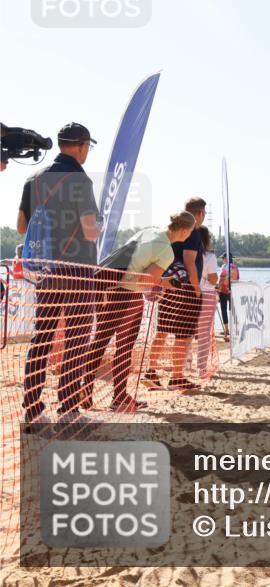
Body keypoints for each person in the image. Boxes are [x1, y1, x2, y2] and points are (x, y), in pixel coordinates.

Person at [16, 123, 100, 423]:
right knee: (76, 339)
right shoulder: (80, 179)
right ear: (81, 145)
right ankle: (67, 409)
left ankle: (32, 409)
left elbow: (22, 228)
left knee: (43, 336)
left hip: (46, 271)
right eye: (89, 146)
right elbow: (91, 232)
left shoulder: (33, 179)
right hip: (77, 272)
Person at [81, 212, 196, 411]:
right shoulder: (166, 251)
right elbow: (145, 280)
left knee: (100, 340)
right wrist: (165, 283)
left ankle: (84, 389)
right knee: (124, 348)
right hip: (127, 294)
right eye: (190, 232)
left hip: (106, 286)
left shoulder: (148, 232)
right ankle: (119, 397)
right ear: (185, 231)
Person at [147, 197, 207, 390]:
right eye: (203, 213)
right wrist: (196, 287)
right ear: (199, 214)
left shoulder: (174, 230)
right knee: (183, 335)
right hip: (185, 287)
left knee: (163, 330)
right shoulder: (194, 232)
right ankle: (177, 377)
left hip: (168, 285)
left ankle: (151, 371)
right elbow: (190, 261)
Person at [194, 227, 219, 377]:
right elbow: (213, 278)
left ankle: (186, 363)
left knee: (188, 330)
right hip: (207, 294)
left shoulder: (188, 254)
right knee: (204, 332)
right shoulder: (209, 256)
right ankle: (201, 367)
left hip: (191, 293)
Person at [217, 253, 240, 341]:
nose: (222, 260)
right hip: (233, 291)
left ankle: (226, 329)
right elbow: (237, 279)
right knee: (233, 311)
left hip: (223, 291)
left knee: (224, 310)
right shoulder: (236, 267)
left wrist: (218, 289)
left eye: (223, 258)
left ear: (226, 259)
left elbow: (221, 279)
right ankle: (235, 329)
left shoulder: (224, 266)